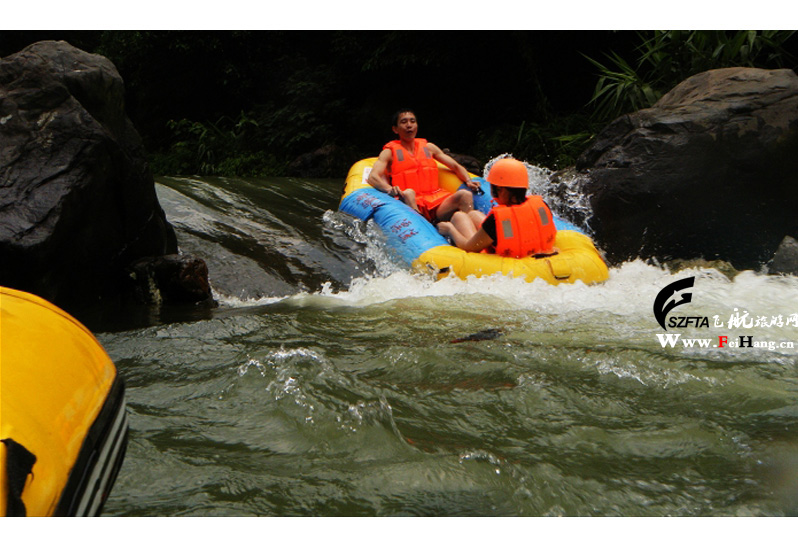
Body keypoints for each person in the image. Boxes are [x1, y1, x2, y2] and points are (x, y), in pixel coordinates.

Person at [367, 109, 483, 223]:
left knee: (465, 195)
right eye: (404, 122)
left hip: (436, 200)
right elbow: (373, 177)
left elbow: (455, 166)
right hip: (410, 201)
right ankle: (423, 228)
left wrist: (468, 180)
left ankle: (472, 233)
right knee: (409, 193)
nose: (409, 125)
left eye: (412, 121)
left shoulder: (429, 147)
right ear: (395, 129)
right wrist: (389, 189)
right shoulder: (389, 152)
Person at [437, 157, 557, 258]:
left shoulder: (495, 221)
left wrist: (450, 230)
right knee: (472, 214)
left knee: (459, 216)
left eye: (494, 189)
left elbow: (469, 248)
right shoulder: (542, 206)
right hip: (533, 252)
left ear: (501, 190)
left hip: (504, 259)